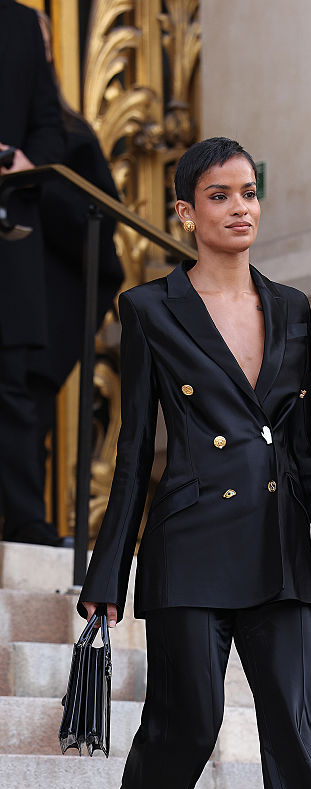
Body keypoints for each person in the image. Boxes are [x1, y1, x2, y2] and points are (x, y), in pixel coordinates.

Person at [76, 137, 311, 789]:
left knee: (299, 749)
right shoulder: (150, 308)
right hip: (191, 545)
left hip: (276, 550)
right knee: (185, 727)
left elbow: (307, 454)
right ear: (184, 212)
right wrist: (106, 572)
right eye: (219, 195)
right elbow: (133, 455)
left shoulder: (287, 308)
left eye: (248, 193)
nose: (239, 208)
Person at [30, 11, 124, 496]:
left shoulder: (71, 138)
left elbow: (98, 229)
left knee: (23, 414)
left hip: (40, 312)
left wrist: (28, 185)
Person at [0, 0, 66, 545]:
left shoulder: (20, 22)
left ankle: (25, 519)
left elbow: (50, 126)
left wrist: (25, 164)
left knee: (10, 386)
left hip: (8, 233)